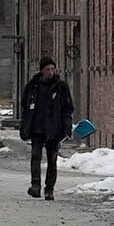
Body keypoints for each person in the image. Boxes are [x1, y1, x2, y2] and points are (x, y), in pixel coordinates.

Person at [19, 58, 75, 200]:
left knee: (52, 160)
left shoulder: (61, 87)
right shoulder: (32, 86)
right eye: (48, 69)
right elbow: (25, 106)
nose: (51, 72)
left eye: (53, 69)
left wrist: (67, 127)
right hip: (37, 128)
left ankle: (49, 189)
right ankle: (35, 186)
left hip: (54, 129)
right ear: (41, 70)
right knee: (35, 156)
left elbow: (67, 108)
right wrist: (25, 126)